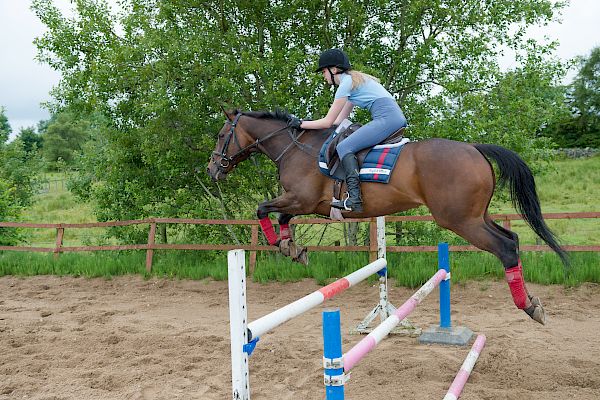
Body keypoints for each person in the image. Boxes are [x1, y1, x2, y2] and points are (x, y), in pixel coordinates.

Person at [287, 48, 407, 212]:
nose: (324, 76)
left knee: (343, 147)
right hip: (392, 117)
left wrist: (300, 124)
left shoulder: (345, 85)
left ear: (333, 70)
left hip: (387, 119)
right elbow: (338, 121)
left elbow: (327, 122)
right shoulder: (354, 82)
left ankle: (354, 199)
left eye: (324, 71)